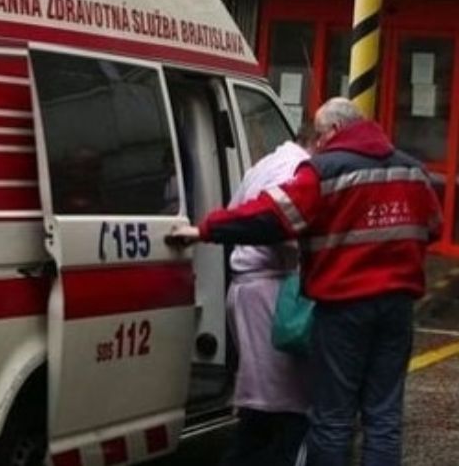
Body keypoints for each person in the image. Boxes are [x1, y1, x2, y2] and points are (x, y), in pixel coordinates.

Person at [169, 97, 441, 466]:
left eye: (321, 134)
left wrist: (204, 230)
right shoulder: (412, 171)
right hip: (397, 308)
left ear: (335, 130)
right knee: (383, 417)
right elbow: (432, 227)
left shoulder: (323, 172)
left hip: (343, 308)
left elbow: (271, 217)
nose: (318, 142)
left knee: (333, 416)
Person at [219, 136, 311, 466]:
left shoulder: (264, 165)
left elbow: (233, 215)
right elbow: (282, 229)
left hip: (246, 287)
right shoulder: (297, 169)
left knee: (262, 401)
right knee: (285, 402)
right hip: (270, 291)